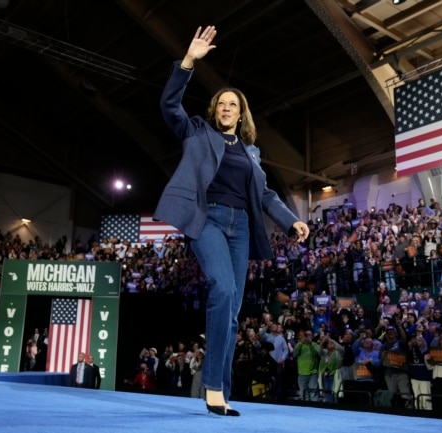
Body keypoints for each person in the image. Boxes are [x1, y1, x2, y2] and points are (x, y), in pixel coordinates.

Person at [153, 25, 309, 416]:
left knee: (234, 309)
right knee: (222, 289)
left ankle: (220, 388)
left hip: (242, 227)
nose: (226, 108)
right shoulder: (196, 133)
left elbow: (266, 194)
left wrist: (292, 221)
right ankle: (212, 387)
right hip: (208, 220)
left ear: (241, 115)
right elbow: (170, 105)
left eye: (233, 105)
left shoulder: (251, 152)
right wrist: (188, 61)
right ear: (214, 110)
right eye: (221, 103)